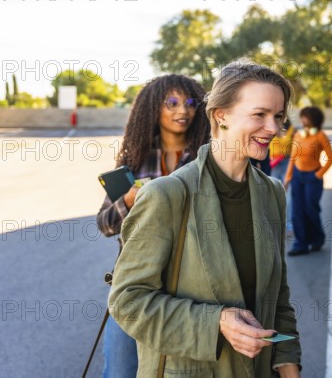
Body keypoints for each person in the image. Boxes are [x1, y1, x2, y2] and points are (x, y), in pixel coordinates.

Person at [108, 59, 302, 377]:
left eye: (278, 116)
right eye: (260, 115)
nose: (274, 128)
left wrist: (289, 365)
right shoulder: (166, 194)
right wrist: (216, 322)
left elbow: (278, 296)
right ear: (220, 115)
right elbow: (128, 302)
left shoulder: (273, 193)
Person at [96, 75, 209, 377]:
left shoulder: (208, 161)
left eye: (189, 103)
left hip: (190, 289)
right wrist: (129, 201)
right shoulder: (133, 163)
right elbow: (105, 224)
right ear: (152, 109)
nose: (182, 110)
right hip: (134, 286)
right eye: (171, 103)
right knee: (119, 371)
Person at [284, 106, 332, 256]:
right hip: (297, 177)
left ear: (313, 119)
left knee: (310, 209)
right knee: (296, 212)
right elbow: (293, 158)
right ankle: (301, 244)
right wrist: (288, 177)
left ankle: (317, 238)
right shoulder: (298, 135)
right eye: (302, 117)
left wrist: (318, 175)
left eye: (305, 117)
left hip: (313, 177)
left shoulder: (320, 136)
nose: (302, 119)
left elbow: (331, 158)